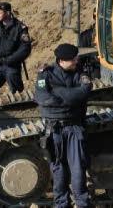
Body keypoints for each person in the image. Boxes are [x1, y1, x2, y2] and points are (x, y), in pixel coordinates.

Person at [35, 43, 93, 208]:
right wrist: (70, 99)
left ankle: (82, 203)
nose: (76, 61)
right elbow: (43, 98)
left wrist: (58, 94)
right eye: (72, 59)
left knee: (78, 170)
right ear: (62, 60)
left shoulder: (81, 72)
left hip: (75, 127)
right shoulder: (46, 74)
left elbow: (84, 91)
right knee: (58, 169)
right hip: (55, 129)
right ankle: (61, 204)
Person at [0, 1, 32, 97]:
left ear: (8, 13)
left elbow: (25, 48)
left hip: (12, 67)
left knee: (18, 94)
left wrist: (9, 60)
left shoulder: (19, 27)